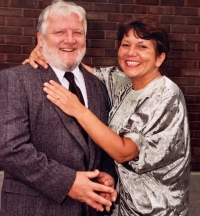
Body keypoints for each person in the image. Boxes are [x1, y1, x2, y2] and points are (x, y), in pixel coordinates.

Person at [25, 15, 191, 216]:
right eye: (126, 44)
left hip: (158, 209)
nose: (131, 53)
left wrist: (78, 110)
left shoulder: (166, 94)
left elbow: (124, 151)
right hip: (123, 205)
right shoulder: (124, 83)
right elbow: (77, 68)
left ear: (160, 57)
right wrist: (46, 52)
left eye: (142, 47)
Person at [0, 1, 118, 216]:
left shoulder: (98, 86)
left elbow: (102, 145)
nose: (70, 40)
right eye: (60, 32)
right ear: (40, 39)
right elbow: (9, 149)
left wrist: (108, 175)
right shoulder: (15, 80)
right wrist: (69, 183)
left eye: (77, 32)